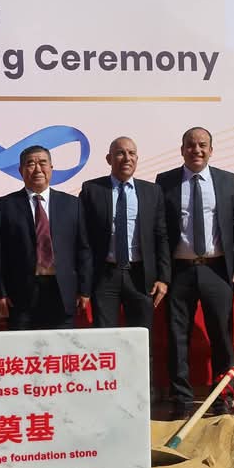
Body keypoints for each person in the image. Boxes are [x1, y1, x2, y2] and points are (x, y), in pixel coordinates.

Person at [156, 127, 234, 416]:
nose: (197, 150)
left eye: (202, 145)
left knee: (222, 337)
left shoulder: (227, 181)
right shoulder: (165, 181)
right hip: (179, 272)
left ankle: (223, 398)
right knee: (177, 337)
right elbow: (161, 232)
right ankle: (182, 399)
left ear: (211, 150)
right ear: (182, 150)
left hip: (216, 270)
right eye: (191, 145)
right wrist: (163, 274)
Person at [0, 146, 91, 329]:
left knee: (61, 345)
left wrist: (84, 289)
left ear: (51, 168)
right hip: (20, 294)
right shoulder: (4, 206)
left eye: (43, 163)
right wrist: (0, 293)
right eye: (30, 164)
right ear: (21, 170)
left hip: (62, 292)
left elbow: (83, 250)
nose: (37, 169)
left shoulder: (72, 204)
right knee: (24, 346)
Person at [79, 136, 169, 345]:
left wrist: (163, 278)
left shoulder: (152, 191)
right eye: (120, 153)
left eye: (132, 153)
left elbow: (161, 236)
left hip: (141, 277)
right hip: (104, 277)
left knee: (140, 342)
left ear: (137, 158)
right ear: (109, 159)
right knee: (104, 341)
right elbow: (83, 239)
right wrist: (84, 282)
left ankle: (142, 370)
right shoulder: (92, 190)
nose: (127, 158)